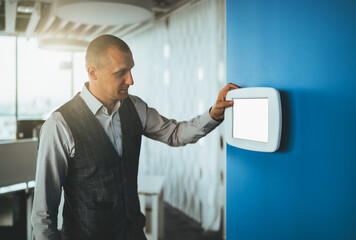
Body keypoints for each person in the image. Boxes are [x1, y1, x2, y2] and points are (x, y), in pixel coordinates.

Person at [31, 34, 239, 240]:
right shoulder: (59, 124)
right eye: (121, 72)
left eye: (131, 70)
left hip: (133, 232)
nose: (131, 80)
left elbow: (175, 134)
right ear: (93, 73)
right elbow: (43, 211)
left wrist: (212, 115)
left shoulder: (136, 107)